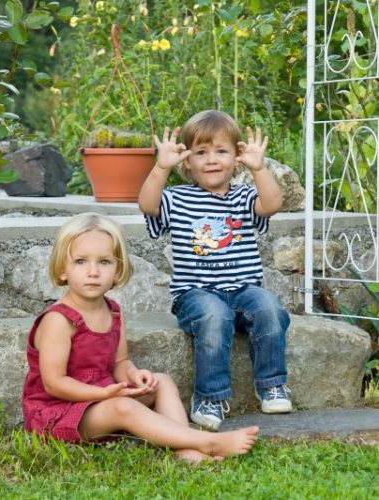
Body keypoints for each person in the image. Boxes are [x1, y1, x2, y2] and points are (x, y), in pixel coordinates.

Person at [22, 212, 259, 462]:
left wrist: (134, 376)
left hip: (104, 398)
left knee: (162, 382)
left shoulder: (112, 311)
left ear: (118, 270)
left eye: (104, 262)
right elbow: (54, 383)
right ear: (62, 270)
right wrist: (105, 395)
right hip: (59, 412)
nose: (93, 272)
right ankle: (207, 442)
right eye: (80, 261)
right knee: (123, 407)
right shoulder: (59, 320)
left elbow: (120, 363)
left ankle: (184, 449)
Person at [138, 110, 292, 432]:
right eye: (201, 152)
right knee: (214, 316)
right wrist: (160, 167)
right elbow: (148, 205)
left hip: (243, 290)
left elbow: (273, 204)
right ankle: (209, 397)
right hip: (195, 294)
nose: (211, 160)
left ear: (236, 158)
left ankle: (272, 385)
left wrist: (259, 168)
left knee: (269, 308)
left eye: (221, 151)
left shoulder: (244, 196)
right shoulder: (177, 198)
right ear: (187, 162)